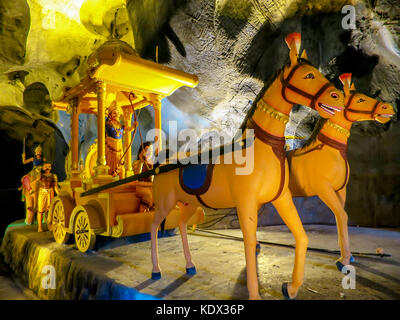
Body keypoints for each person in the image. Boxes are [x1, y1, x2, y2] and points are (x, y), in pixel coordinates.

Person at [105, 101, 137, 179]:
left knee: (120, 164)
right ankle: (109, 180)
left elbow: (128, 129)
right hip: (110, 147)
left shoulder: (120, 125)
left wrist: (133, 126)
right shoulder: (107, 124)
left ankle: (121, 180)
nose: (116, 115)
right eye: (114, 113)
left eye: (117, 113)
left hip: (119, 147)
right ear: (110, 114)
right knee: (110, 165)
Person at [30, 162, 59, 232]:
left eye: (49, 166)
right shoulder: (40, 176)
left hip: (50, 192)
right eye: (46, 166)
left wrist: (59, 194)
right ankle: (39, 226)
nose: (47, 168)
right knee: (40, 210)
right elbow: (33, 183)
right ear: (43, 167)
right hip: (42, 192)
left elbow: (55, 187)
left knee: (50, 209)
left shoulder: (54, 176)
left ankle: (50, 225)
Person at [20, 145, 46, 224]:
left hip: (40, 172)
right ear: (35, 152)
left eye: (39, 151)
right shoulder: (33, 159)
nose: (38, 152)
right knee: (25, 179)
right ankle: (24, 189)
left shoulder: (43, 159)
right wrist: (23, 157)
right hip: (34, 172)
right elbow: (24, 162)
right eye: (37, 151)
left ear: (41, 152)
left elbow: (46, 166)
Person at [132, 142, 154, 212]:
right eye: (147, 150)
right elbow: (136, 176)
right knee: (148, 196)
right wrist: (141, 161)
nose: (149, 152)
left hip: (151, 187)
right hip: (141, 187)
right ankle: (141, 216)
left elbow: (153, 179)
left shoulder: (153, 164)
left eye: (151, 150)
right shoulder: (137, 163)